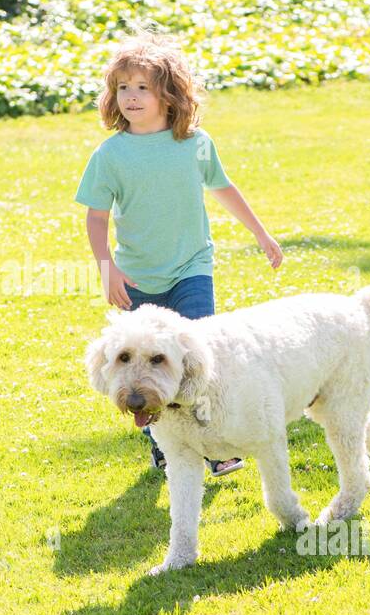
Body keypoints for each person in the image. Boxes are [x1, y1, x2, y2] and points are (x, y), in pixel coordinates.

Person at [75, 29, 284, 474]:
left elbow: (223, 188)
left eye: (142, 88)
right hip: (136, 278)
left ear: (168, 94)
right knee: (145, 373)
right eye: (122, 88)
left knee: (197, 356)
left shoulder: (194, 143)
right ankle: (164, 445)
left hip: (192, 266)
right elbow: (96, 217)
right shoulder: (110, 155)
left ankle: (217, 445)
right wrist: (107, 268)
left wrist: (261, 234)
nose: (130, 97)